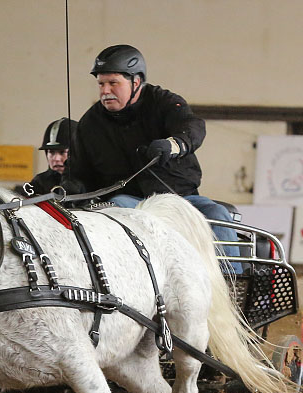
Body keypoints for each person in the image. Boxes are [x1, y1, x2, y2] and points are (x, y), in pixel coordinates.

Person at [68, 44, 241, 273]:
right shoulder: (89, 125)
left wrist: (173, 145)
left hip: (181, 200)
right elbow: (79, 173)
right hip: (132, 202)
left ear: (136, 82)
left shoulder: (165, 103)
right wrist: (71, 185)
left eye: (113, 83)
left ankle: (235, 284)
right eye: (101, 84)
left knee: (218, 214)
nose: (105, 91)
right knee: (118, 206)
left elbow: (192, 126)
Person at [28, 118, 78, 195]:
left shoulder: (93, 181)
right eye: (51, 152)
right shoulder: (39, 182)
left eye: (62, 152)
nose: (56, 159)